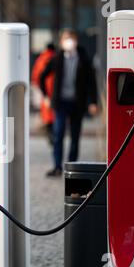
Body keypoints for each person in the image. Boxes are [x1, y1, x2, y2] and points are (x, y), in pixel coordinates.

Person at [39, 29, 98, 177]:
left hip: (77, 103)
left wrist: (93, 102)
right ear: (61, 42)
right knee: (58, 134)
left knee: (75, 135)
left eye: (71, 38)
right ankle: (57, 166)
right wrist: (46, 96)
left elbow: (92, 82)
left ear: (76, 40)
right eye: (66, 39)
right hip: (60, 102)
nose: (69, 41)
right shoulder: (57, 58)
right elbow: (42, 76)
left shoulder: (84, 59)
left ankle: (71, 166)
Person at [31, 43, 56, 145]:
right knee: (55, 114)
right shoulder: (56, 57)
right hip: (55, 90)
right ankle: (53, 134)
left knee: (47, 113)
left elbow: (36, 75)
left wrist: (39, 87)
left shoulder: (41, 58)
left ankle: (50, 134)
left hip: (44, 89)